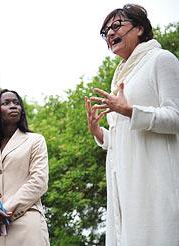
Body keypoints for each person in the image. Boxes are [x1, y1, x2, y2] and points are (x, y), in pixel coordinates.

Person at [85, 4, 179, 246]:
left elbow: (176, 118)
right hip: (126, 188)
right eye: (105, 31)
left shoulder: (161, 59)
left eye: (116, 26)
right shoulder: (122, 74)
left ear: (139, 28)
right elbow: (125, 136)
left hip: (156, 183)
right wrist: (100, 134)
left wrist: (129, 111)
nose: (109, 34)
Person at [0, 89, 49, 246]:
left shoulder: (35, 141)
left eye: (16, 103)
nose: (13, 106)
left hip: (26, 224)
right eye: (6, 103)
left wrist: (4, 213)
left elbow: (39, 181)